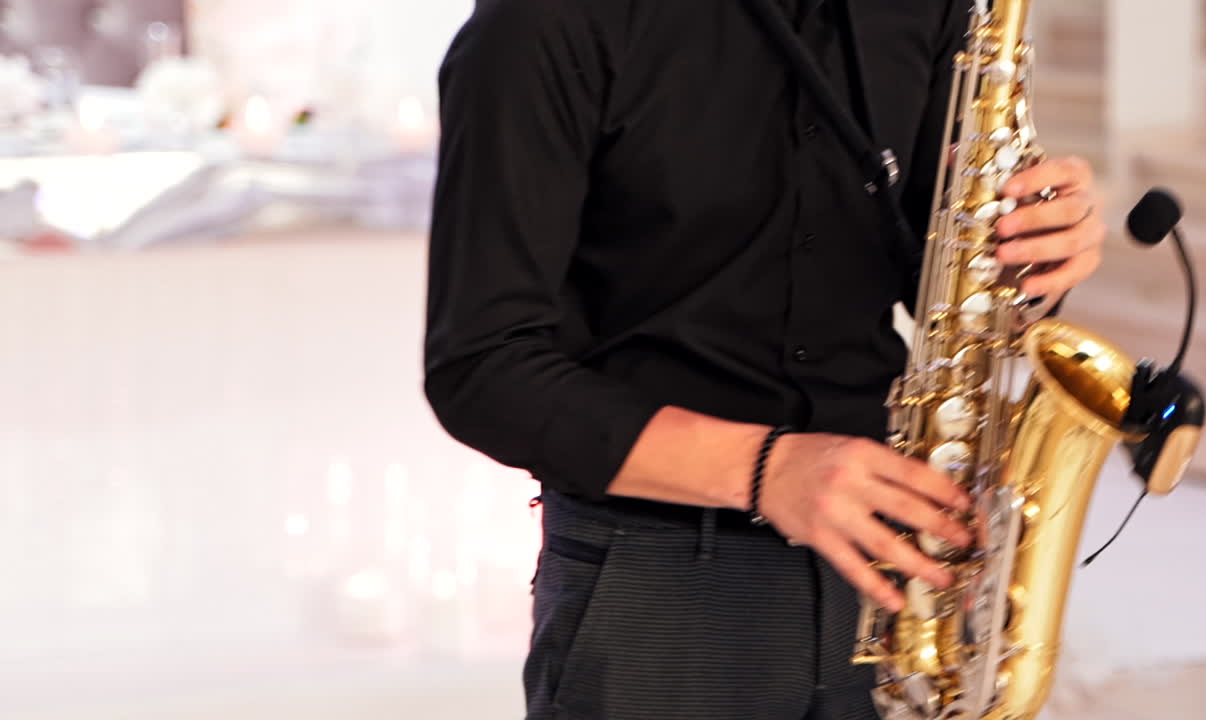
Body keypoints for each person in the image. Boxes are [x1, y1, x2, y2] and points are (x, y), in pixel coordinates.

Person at [424, 1, 1106, 718]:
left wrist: (1038, 253)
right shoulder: (546, 21)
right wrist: (767, 468)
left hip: (885, 574)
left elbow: (943, 270)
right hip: (653, 587)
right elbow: (481, 367)